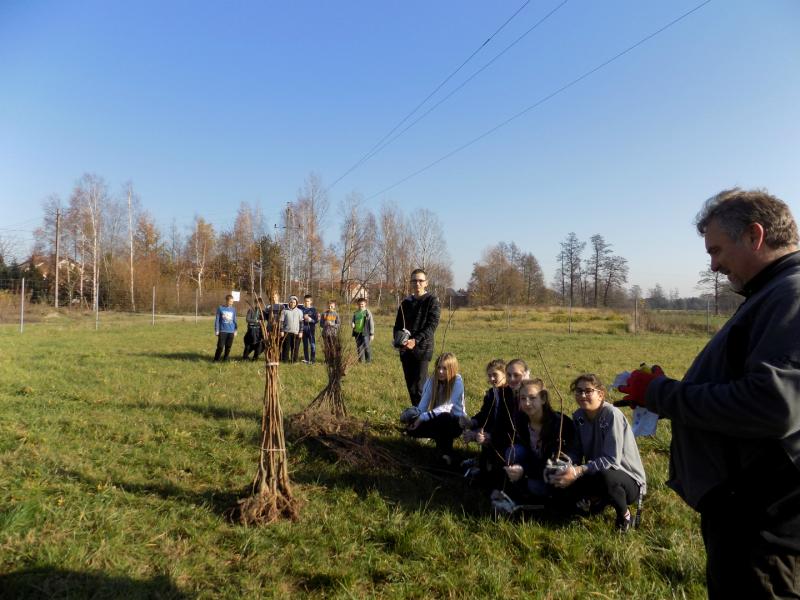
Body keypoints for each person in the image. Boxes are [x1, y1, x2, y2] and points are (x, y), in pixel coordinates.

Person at [619, 188, 800, 597]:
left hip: (761, 523)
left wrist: (661, 393)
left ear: (754, 235)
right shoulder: (772, 292)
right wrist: (662, 391)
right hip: (747, 513)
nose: (714, 265)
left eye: (716, 251)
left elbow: (772, 405)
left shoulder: (791, 294)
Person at [550, 374, 646, 532]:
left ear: (600, 394)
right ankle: (593, 503)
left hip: (626, 478)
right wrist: (567, 466)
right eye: (579, 391)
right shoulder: (579, 416)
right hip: (595, 471)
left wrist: (579, 470)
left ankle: (625, 516)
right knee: (557, 476)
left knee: (606, 476)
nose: (582, 395)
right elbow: (576, 450)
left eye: (588, 391)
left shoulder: (611, 414)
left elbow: (611, 460)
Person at [502, 378, 577, 504]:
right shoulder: (521, 420)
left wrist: (524, 470)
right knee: (513, 452)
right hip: (534, 463)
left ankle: (547, 499)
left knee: (535, 487)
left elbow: (553, 462)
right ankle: (519, 485)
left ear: (543, 399)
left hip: (555, 469)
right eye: (523, 398)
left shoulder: (559, 424)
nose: (527, 403)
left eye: (532, 398)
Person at [405, 352, 466, 465]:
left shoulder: (457, 382)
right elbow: (422, 407)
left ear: (452, 369)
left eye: (445, 368)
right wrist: (414, 417)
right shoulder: (431, 381)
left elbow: (447, 407)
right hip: (437, 419)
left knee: (445, 417)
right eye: (439, 368)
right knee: (411, 428)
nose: (440, 371)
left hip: (456, 422)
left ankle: (445, 456)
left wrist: (422, 418)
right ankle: (441, 448)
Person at [393, 268, 441, 406]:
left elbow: (432, 326)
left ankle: (425, 415)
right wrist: (398, 340)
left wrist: (415, 340)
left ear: (426, 283)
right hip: (405, 350)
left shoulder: (432, 301)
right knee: (411, 388)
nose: (417, 283)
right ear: (410, 283)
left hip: (422, 349)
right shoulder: (405, 303)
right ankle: (416, 413)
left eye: (420, 280)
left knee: (420, 387)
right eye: (414, 281)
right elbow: (398, 325)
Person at [213, 294, 237, 362]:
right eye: (230, 301)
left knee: (228, 347)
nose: (231, 303)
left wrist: (235, 330)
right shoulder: (220, 308)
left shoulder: (233, 309)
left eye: (232, 302)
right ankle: (216, 359)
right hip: (222, 331)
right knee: (220, 346)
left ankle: (225, 359)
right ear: (226, 301)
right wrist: (217, 330)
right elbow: (217, 320)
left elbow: (235, 320)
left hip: (231, 331)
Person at [280, 295, 303, 363]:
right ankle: (285, 360)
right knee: (286, 347)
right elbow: (281, 322)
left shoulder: (299, 311)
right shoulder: (284, 311)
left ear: (296, 303)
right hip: (287, 332)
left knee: (295, 347)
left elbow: (301, 322)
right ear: (289, 302)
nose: (293, 304)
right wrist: (281, 330)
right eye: (291, 302)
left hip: (296, 332)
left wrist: (301, 332)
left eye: (294, 302)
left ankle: (294, 360)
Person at [351, 297, 374, 363]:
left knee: (366, 346)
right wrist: (352, 323)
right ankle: (361, 361)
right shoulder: (356, 313)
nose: (360, 305)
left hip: (365, 333)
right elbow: (353, 321)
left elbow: (371, 323)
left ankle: (368, 360)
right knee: (359, 347)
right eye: (359, 304)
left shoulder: (367, 312)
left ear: (365, 304)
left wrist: (372, 334)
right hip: (357, 332)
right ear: (357, 304)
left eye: (362, 304)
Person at [242, 296, 265, 361]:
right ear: (255, 303)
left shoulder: (262, 312)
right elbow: (248, 319)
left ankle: (255, 357)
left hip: (258, 331)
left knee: (260, 345)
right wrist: (256, 321)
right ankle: (245, 357)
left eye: (259, 303)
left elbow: (263, 321)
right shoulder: (251, 310)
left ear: (261, 304)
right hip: (251, 331)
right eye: (256, 303)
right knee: (249, 345)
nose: (258, 304)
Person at [300, 294, 319, 364]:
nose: (306, 302)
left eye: (308, 301)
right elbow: (299, 319)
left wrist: (311, 320)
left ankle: (313, 359)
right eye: (305, 301)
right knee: (305, 345)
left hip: (311, 330)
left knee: (312, 345)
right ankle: (306, 359)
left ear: (311, 301)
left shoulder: (313, 310)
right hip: (303, 330)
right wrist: (303, 318)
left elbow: (316, 320)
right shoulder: (301, 309)